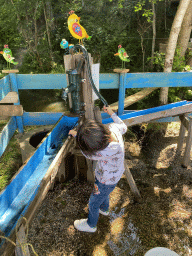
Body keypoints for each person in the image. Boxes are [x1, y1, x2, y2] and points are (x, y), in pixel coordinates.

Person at [68, 105, 127, 232]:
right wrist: (112, 113)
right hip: (114, 177)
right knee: (104, 194)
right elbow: (123, 125)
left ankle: (91, 225)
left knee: (93, 203)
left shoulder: (103, 151)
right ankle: (104, 209)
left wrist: (76, 136)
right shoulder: (113, 128)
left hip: (104, 180)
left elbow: (86, 153)